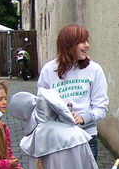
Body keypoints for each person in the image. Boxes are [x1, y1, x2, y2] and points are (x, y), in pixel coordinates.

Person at [37, 24, 108, 160]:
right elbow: (41, 107)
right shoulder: (49, 70)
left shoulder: (94, 70)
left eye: (87, 41)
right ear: (68, 44)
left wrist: (83, 118)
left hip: (86, 137)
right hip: (57, 139)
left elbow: (101, 108)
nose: (87, 45)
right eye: (82, 42)